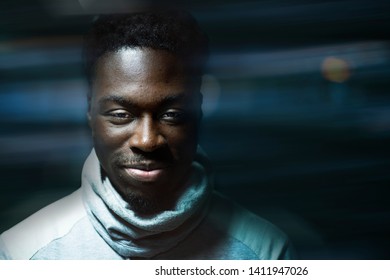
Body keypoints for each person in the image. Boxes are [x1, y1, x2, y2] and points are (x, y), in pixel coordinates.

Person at [0, 9, 295, 260]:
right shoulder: (21, 255)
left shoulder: (265, 252)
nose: (147, 140)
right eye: (121, 115)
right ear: (89, 112)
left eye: (171, 115)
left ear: (199, 111)